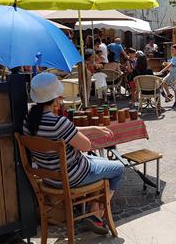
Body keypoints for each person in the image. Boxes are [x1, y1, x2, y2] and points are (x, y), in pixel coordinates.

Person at [23, 72, 124, 234]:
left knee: (97, 162)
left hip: (49, 178)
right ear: (56, 97)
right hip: (72, 177)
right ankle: (97, 213)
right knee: (118, 168)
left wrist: (92, 128)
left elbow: (66, 132)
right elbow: (86, 145)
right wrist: (88, 134)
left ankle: (94, 211)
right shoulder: (59, 122)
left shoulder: (28, 121)